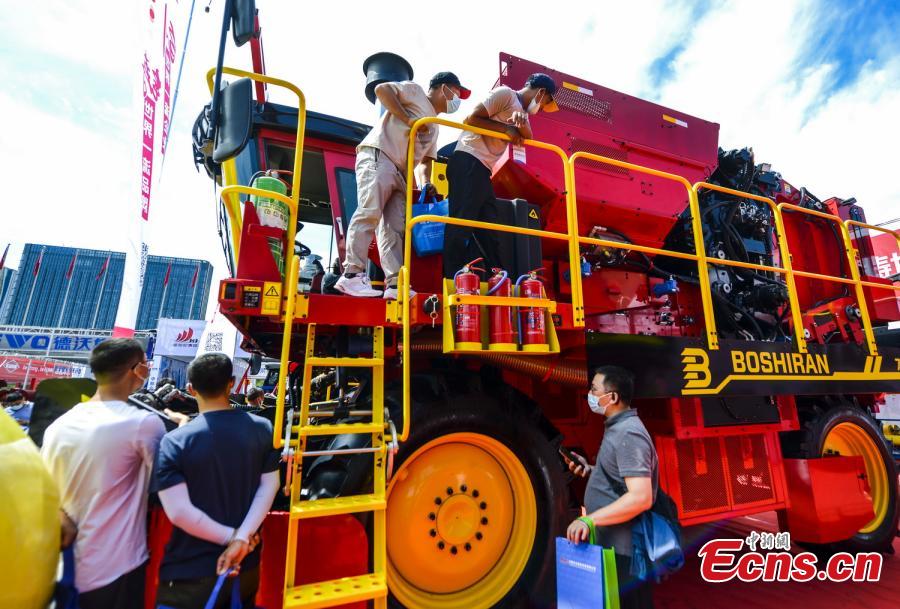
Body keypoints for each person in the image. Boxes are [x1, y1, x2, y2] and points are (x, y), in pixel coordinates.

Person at [41, 338, 165, 609]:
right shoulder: (142, 424)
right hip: (117, 565)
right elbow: (166, 481)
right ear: (137, 371)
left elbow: (44, 489)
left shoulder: (59, 426)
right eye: (145, 364)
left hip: (63, 566)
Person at [154, 353, 280, 608]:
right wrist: (242, 540)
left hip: (190, 571)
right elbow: (270, 486)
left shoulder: (175, 441)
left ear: (190, 388)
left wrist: (232, 538)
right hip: (246, 566)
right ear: (231, 384)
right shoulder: (262, 428)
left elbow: (179, 512)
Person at [336, 71, 470, 299]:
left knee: (393, 230)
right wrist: (409, 119)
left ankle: (395, 284)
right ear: (442, 88)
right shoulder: (415, 91)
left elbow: (426, 161)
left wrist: (426, 183)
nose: (456, 99)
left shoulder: (434, 125)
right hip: (382, 155)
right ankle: (351, 275)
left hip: (402, 173)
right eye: (456, 92)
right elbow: (382, 90)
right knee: (369, 213)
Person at [442, 73, 558, 278]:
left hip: (482, 169)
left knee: (489, 225)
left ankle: (497, 274)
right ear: (541, 93)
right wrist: (506, 128)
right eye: (545, 102)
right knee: (462, 222)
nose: (541, 109)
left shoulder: (522, 112)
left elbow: (528, 136)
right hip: (468, 160)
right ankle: (451, 276)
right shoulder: (505, 94)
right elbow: (471, 118)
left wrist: (519, 124)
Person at [564, 366, 658, 609]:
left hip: (626, 552)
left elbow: (640, 497)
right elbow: (622, 480)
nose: (590, 395)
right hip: (613, 546)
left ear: (613, 397)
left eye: (595, 390)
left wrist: (589, 521)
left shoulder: (629, 434)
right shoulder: (618, 428)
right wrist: (592, 471)